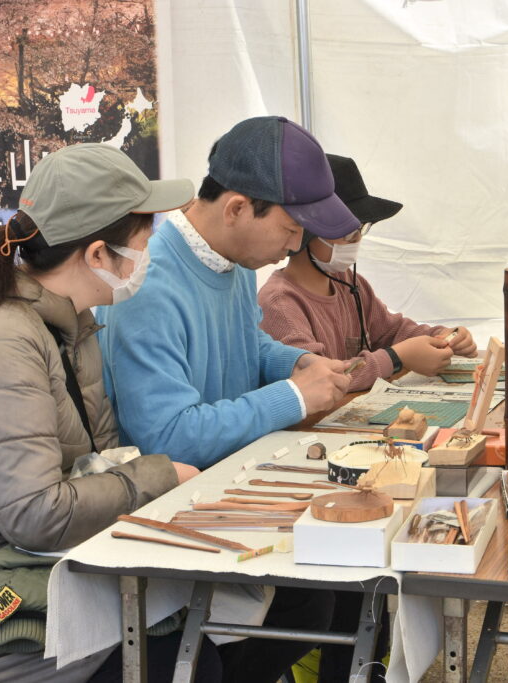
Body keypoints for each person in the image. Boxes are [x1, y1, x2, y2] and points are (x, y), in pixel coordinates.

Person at [0, 143, 202, 681]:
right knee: (168, 657)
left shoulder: (71, 325)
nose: (150, 258)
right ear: (98, 255)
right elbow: (36, 513)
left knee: (186, 634)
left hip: (28, 565)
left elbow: (88, 469)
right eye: (145, 244)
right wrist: (158, 476)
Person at [97, 116, 354, 682]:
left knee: (326, 596)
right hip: (170, 514)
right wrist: (291, 396)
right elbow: (165, 437)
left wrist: (294, 361)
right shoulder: (147, 283)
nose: (295, 248)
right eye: (290, 230)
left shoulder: (233, 259)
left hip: (227, 486)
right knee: (301, 604)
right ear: (237, 207)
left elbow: (244, 338)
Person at [259, 154, 478, 393]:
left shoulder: (350, 284)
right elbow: (316, 380)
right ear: (306, 232)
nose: (358, 239)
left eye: (361, 229)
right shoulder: (280, 304)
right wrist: (396, 358)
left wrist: (442, 337)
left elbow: (392, 331)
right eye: (348, 232)